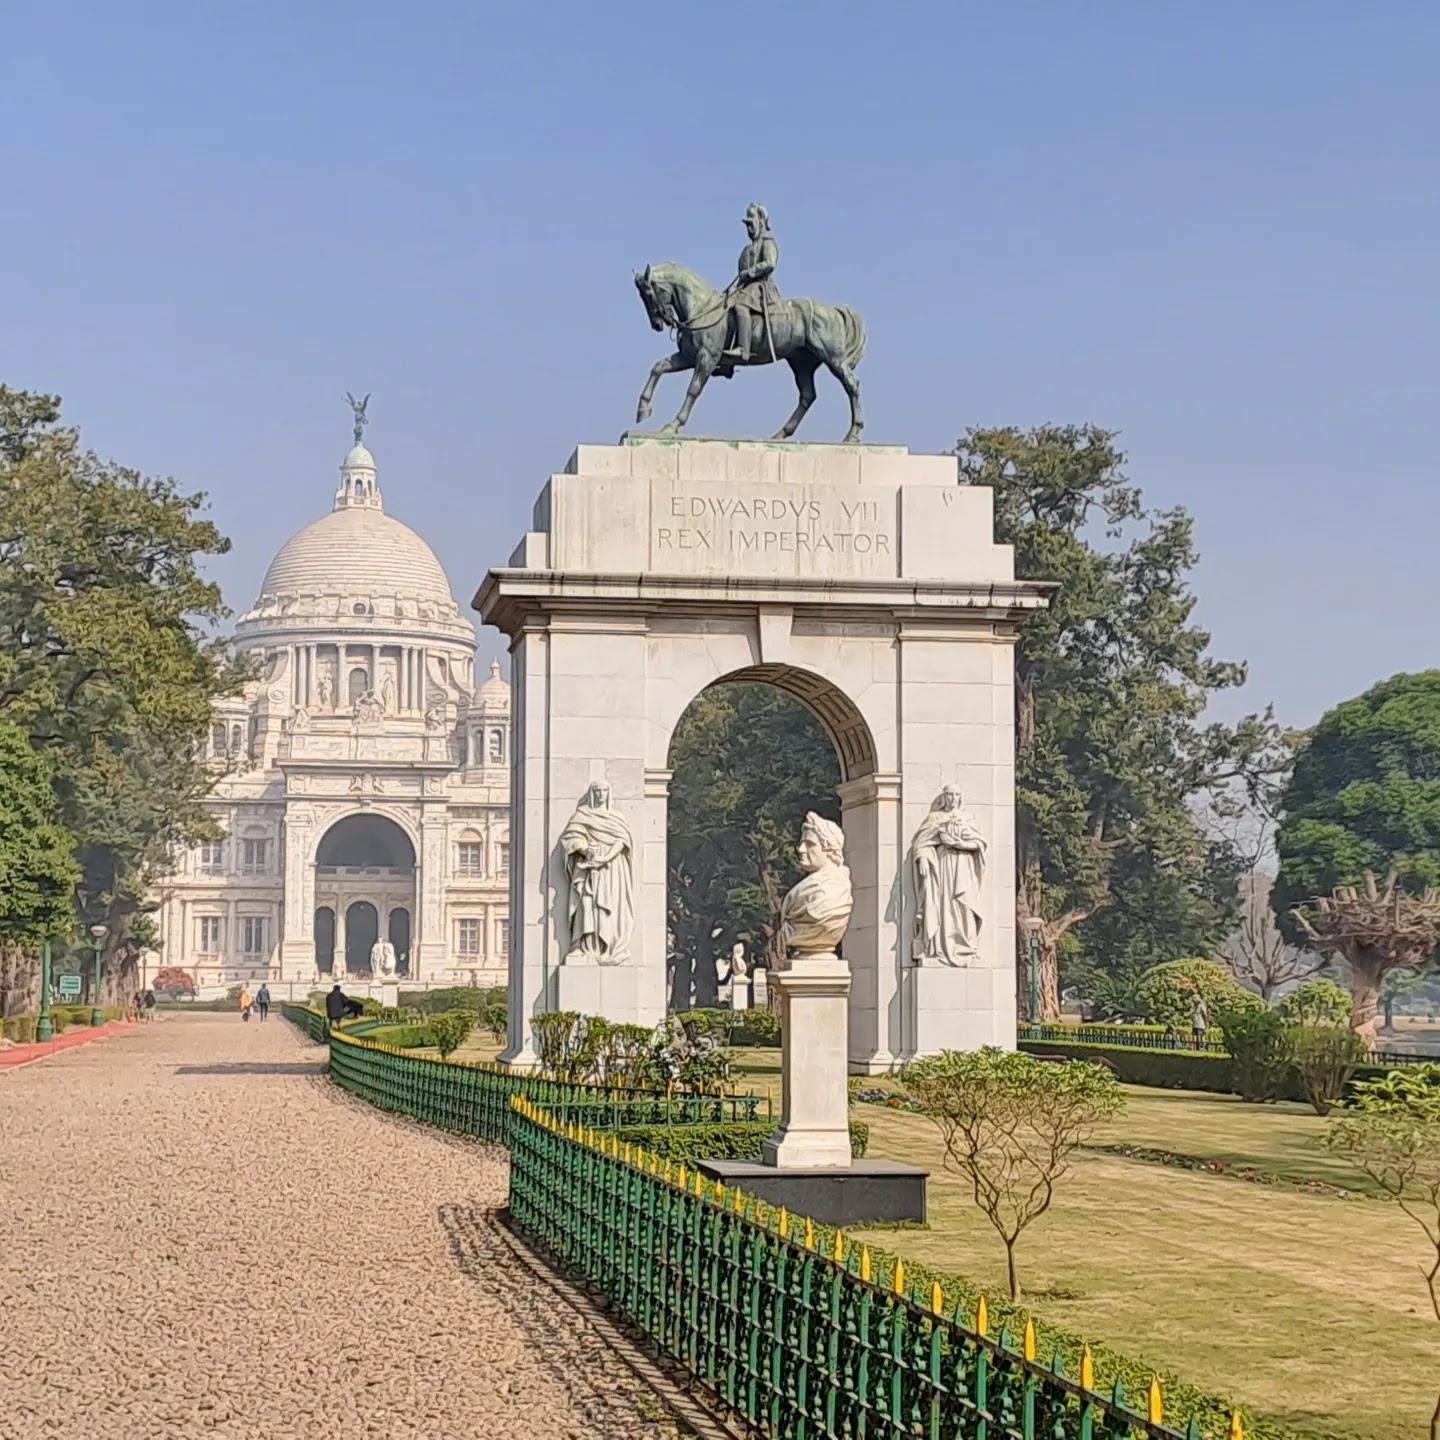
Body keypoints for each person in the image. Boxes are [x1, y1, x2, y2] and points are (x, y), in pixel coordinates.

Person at [722, 202, 781, 364]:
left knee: (741, 305)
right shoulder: (747, 249)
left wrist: (750, 272)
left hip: (762, 288)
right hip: (747, 287)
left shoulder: (768, 242)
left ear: (761, 221)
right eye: (746, 225)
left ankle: (743, 349)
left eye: (751, 223)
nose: (748, 229)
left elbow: (770, 263)